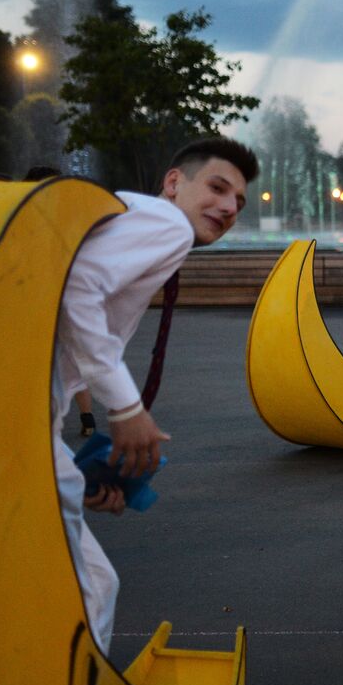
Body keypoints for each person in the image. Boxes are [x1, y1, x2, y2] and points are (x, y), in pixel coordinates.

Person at [53, 137, 257, 652]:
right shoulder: (165, 224)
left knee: (89, 583)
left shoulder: (135, 215)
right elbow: (78, 287)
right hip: (9, 414)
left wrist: (77, 476)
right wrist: (126, 408)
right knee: (88, 588)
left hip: (23, 413)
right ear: (173, 182)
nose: (230, 207)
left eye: (240, 201)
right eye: (217, 187)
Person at [26, 164, 101, 436]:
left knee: (43, 361)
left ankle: (46, 420)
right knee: (72, 359)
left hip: (45, 300)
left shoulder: (27, 219)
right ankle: (86, 418)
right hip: (66, 299)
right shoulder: (68, 220)